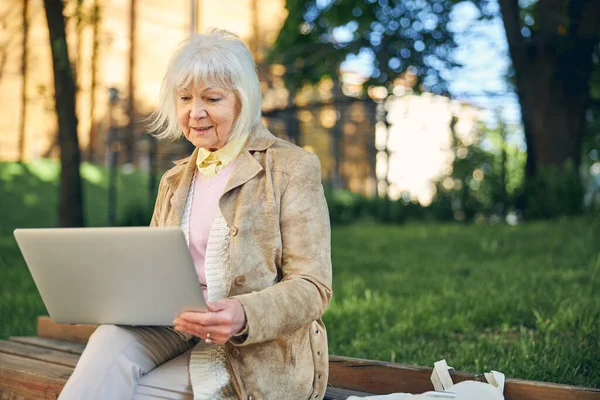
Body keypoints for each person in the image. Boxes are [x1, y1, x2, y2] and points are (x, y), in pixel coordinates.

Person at [58, 29, 332, 400]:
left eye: (212, 98)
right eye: (185, 98)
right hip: (174, 327)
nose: (195, 111)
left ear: (242, 101)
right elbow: (154, 269)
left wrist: (243, 313)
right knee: (108, 343)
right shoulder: (174, 180)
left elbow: (313, 286)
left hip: (252, 350)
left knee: (133, 392)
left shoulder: (292, 167)